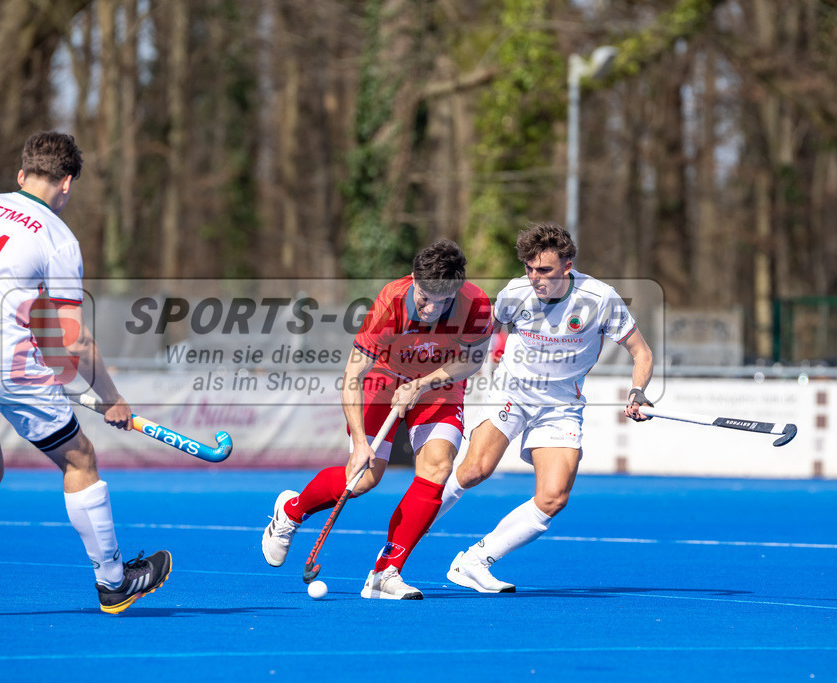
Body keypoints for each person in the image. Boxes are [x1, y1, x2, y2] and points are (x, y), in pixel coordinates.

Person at [0, 131, 171, 615]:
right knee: (79, 459)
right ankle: (114, 582)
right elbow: (75, 340)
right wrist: (112, 398)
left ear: (22, 175)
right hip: (6, 362)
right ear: (67, 184)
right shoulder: (59, 238)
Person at [261, 239, 493, 599]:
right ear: (414, 279)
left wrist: (423, 383)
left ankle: (386, 573)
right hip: (383, 377)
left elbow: (473, 361)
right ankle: (291, 511)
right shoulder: (391, 300)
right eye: (423, 297)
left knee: (437, 467)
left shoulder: (476, 304)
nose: (429, 308)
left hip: (439, 383)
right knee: (365, 476)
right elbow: (353, 373)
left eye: (440, 301)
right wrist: (358, 444)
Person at [437, 221, 653, 593]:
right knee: (474, 471)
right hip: (512, 390)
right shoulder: (515, 292)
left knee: (554, 497)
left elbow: (642, 353)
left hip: (561, 406)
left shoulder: (600, 299)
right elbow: (481, 333)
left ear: (568, 266)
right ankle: (401, 542)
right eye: (530, 269)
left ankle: (474, 561)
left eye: (545, 271)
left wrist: (637, 392)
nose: (536, 279)